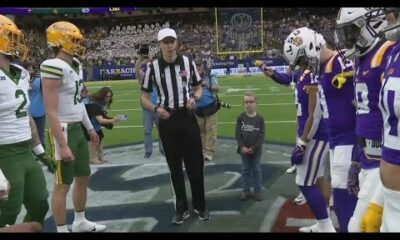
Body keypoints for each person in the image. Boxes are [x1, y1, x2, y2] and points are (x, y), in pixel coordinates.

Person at [283, 27, 357, 232]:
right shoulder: (324, 68)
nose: (305, 66)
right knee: (342, 195)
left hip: (349, 139)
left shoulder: (341, 62)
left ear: (312, 47)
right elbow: (317, 112)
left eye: (304, 60)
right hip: (335, 138)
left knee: (346, 197)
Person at [260, 33, 334, 232]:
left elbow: (315, 115)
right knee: (318, 179)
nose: (299, 63)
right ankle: (322, 223)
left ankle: (326, 227)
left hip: (315, 136)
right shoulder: (304, 72)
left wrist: (302, 142)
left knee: (303, 182)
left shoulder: (313, 74)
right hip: (310, 133)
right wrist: (271, 73)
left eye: (300, 58)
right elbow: (287, 78)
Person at [40, 21, 106, 232]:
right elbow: (50, 109)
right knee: (62, 185)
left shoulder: (75, 63)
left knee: (83, 177)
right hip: (64, 129)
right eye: (73, 40)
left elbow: (78, 102)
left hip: (78, 128)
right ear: (60, 42)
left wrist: (90, 128)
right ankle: (60, 229)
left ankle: (80, 221)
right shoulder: (51, 65)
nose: (77, 44)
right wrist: (62, 144)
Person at [141, 28, 209, 225]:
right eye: (166, 42)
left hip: (187, 117)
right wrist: (156, 109)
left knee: (195, 164)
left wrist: (195, 98)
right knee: (175, 168)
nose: (170, 46)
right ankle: (181, 208)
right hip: (167, 119)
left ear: (177, 43)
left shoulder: (187, 62)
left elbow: (198, 86)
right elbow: (143, 97)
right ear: (160, 44)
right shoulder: (152, 67)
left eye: (172, 42)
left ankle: (200, 205)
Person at [335, 8, 394, 232]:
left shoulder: (387, 54)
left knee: (360, 226)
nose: (347, 39)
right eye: (344, 33)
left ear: (373, 25)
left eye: (351, 31)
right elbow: (364, 116)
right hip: (368, 158)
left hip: (386, 163)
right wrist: (356, 160)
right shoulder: (362, 58)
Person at [0, 15, 52, 229]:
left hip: (25, 153)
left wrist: (39, 150)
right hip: (4, 154)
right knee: (7, 213)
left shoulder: (20, 72)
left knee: (39, 205)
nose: (15, 42)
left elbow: (26, 115)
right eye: (9, 37)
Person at [365, 7, 400, 232]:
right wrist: (378, 199)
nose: (387, 18)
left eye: (393, 11)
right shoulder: (393, 52)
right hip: (391, 196)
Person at [235, 91, 265, 201]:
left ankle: (258, 190)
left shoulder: (260, 119)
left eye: (251, 102)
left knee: (256, 170)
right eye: (246, 102)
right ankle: (246, 190)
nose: (249, 104)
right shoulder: (240, 118)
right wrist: (242, 146)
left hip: (256, 151)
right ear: (243, 104)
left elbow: (261, 136)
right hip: (244, 150)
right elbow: (238, 134)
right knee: (245, 170)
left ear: (256, 103)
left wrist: (253, 148)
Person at [83, 87, 124, 164]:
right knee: (92, 139)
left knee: (100, 136)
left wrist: (113, 119)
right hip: (87, 122)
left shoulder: (100, 102)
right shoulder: (93, 104)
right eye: (107, 96)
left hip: (93, 121)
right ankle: (92, 157)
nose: (109, 98)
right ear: (102, 95)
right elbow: (100, 119)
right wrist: (113, 120)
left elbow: (100, 115)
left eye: (110, 96)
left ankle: (100, 155)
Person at [135, 54, 164, 159]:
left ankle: (163, 149)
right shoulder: (143, 77)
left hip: (159, 107)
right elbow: (137, 70)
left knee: (162, 131)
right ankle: (148, 151)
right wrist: (140, 60)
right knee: (147, 131)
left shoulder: (160, 76)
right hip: (147, 109)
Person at [194, 58, 219, 161]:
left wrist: (208, 85)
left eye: (199, 64)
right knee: (200, 132)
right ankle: (203, 150)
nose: (198, 66)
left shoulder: (210, 76)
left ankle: (209, 152)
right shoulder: (191, 78)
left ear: (203, 65)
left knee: (211, 131)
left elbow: (217, 88)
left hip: (210, 107)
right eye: (196, 65)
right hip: (198, 108)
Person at [28, 65, 46, 147]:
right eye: (28, 68)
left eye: (30, 68)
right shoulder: (39, 80)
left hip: (38, 112)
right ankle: (40, 154)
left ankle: (40, 153)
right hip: (33, 112)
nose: (29, 70)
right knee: (34, 135)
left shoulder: (21, 81)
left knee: (39, 134)